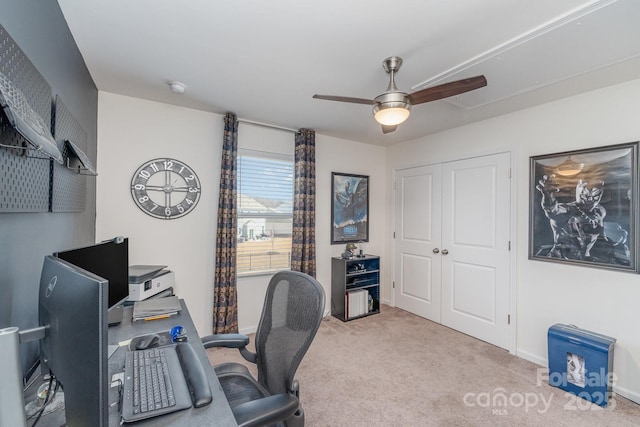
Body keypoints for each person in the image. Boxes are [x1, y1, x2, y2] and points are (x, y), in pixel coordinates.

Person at [536, 174, 606, 259]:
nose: (590, 200)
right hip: (560, 260)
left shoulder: (600, 211)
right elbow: (552, 210)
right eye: (585, 194)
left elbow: (598, 231)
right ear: (578, 190)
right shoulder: (568, 210)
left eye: (595, 195)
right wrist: (548, 196)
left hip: (583, 261)